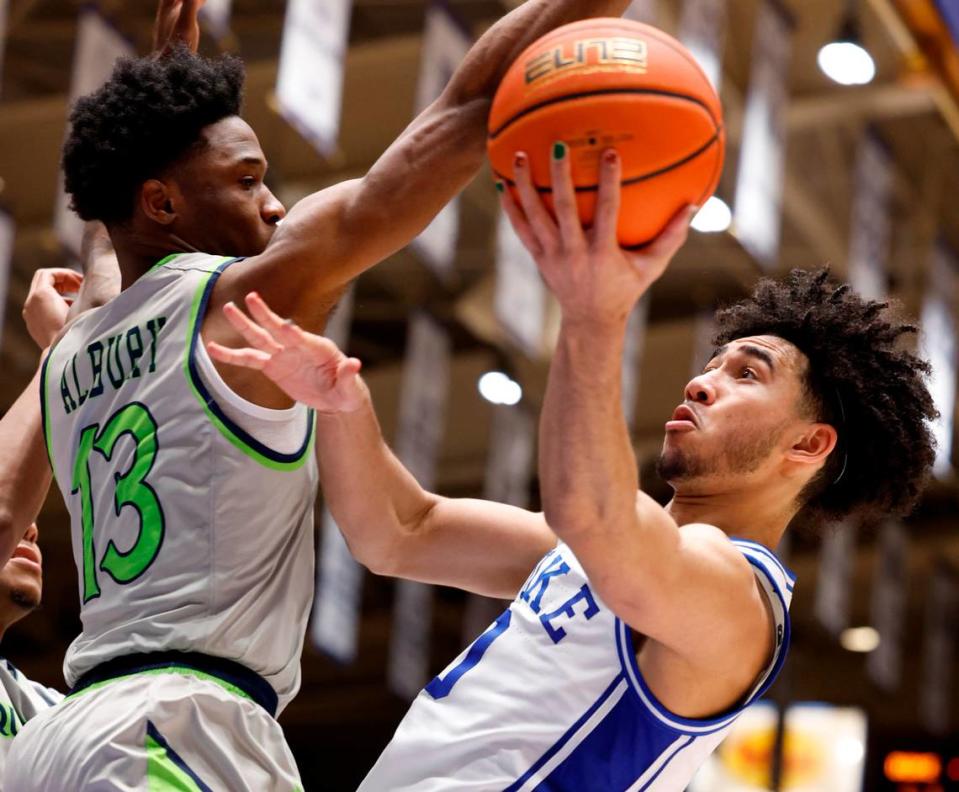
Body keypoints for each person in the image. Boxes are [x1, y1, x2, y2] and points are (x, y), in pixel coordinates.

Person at [5, 1, 634, 789]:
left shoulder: (74, 341)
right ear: (162, 203)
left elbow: (109, 228)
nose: (273, 205)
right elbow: (468, 106)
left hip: (59, 739)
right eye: (247, 181)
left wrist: (164, 80)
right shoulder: (241, 305)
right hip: (178, 724)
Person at [206, 144, 937, 790]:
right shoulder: (598, 550)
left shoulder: (735, 602)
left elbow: (592, 513)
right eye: (712, 364)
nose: (699, 381)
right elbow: (399, 531)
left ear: (807, 446)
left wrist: (594, 314)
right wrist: (341, 403)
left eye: (746, 375)